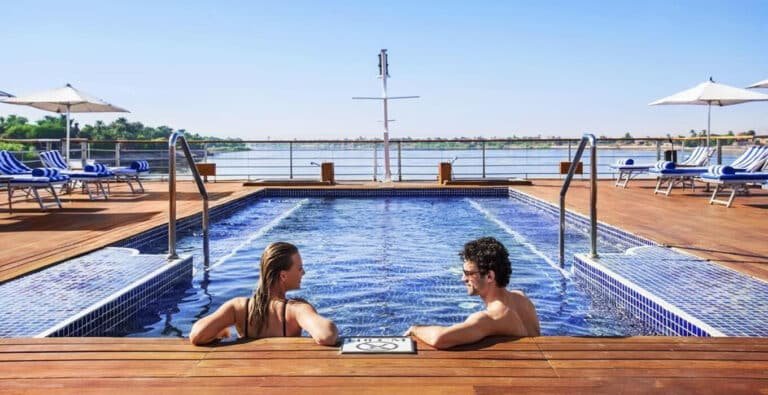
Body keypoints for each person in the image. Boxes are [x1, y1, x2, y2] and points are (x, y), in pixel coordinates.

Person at [189, 242, 338, 346]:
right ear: (283, 276)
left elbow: (197, 334)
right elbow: (327, 336)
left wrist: (221, 331)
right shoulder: (296, 309)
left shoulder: (239, 307)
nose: (303, 273)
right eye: (299, 269)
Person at [404, 237, 540, 349]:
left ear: (489, 276)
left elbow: (439, 339)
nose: (463, 279)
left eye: (468, 273)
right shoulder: (521, 298)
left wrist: (415, 329)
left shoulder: (490, 318)